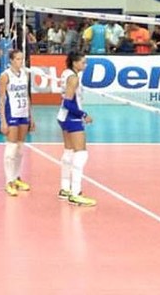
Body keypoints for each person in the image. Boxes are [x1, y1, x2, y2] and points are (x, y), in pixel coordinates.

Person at [57, 52, 96, 207]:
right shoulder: (73, 78)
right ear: (75, 63)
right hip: (71, 117)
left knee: (69, 151)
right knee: (81, 153)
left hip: (63, 117)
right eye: (83, 62)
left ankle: (65, 188)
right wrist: (83, 114)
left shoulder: (66, 74)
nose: (85, 65)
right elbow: (68, 103)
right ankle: (76, 193)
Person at [0, 50, 34, 196]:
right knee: (11, 148)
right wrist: (3, 120)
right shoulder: (5, 76)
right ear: (11, 60)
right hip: (11, 113)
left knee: (20, 148)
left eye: (22, 59)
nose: (21, 61)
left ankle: (17, 177)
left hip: (23, 113)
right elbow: (1, 99)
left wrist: (31, 116)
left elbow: (27, 95)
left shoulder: (25, 74)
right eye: (18, 59)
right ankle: (9, 181)